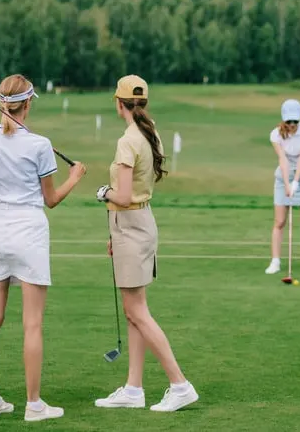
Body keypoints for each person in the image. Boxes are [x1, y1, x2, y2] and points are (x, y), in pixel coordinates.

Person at [0, 74, 87, 422]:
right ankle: (34, 405)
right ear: (29, 103)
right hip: (30, 232)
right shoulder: (39, 144)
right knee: (32, 324)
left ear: (3, 104)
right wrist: (75, 178)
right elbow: (50, 200)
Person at [93, 74, 199, 412]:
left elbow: (122, 196)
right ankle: (134, 388)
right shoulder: (150, 134)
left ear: (118, 103)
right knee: (133, 311)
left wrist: (103, 194)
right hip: (139, 224)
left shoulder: (128, 141)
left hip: (131, 226)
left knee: (137, 311)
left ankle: (180, 385)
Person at [264, 98, 300, 276]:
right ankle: (275, 261)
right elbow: (282, 159)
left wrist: (296, 182)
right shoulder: (275, 134)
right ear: (283, 119)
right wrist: (288, 183)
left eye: (295, 121)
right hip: (283, 181)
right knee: (279, 222)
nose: (292, 125)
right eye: (289, 121)